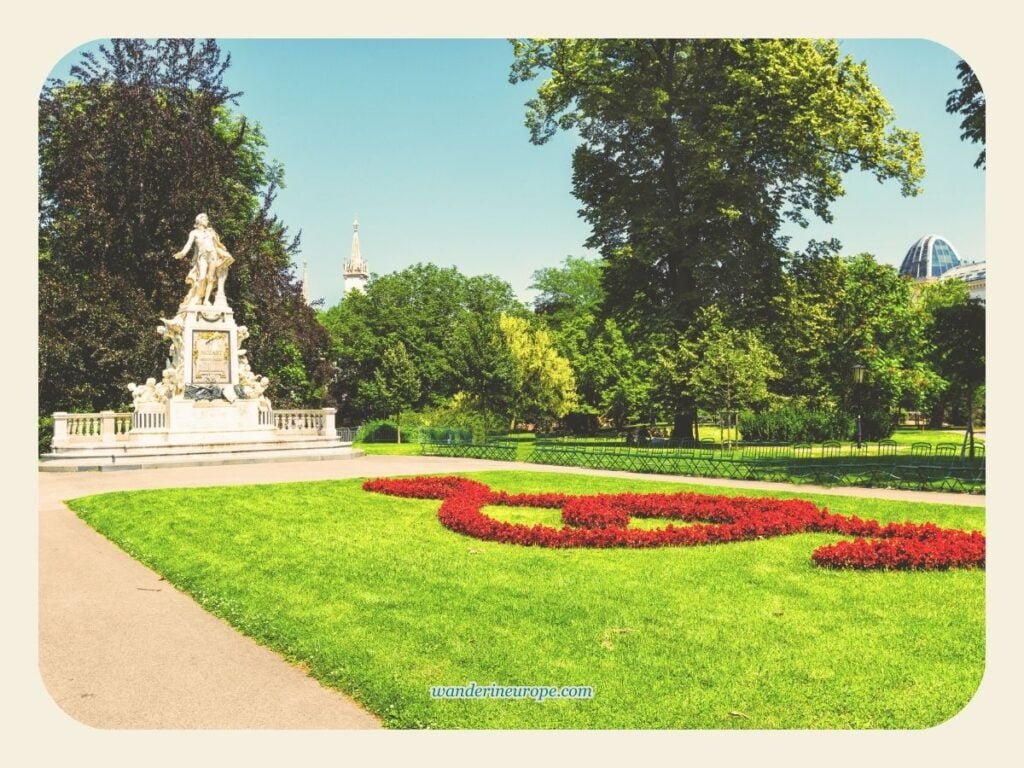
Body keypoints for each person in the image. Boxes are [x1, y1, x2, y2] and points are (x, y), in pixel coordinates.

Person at [173, 213, 235, 306]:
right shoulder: (194, 233)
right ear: (199, 220)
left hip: (213, 255)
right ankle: (198, 297)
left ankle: (206, 300)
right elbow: (188, 244)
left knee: (210, 278)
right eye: (206, 219)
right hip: (203, 257)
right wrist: (182, 253)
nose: (208, 221)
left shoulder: (210, 232)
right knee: (201, 277)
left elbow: (217, 244)